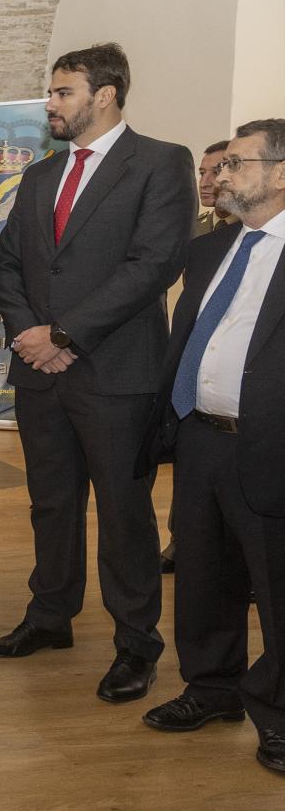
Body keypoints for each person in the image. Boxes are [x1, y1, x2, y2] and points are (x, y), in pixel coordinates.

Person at [0, 43, 196, 704]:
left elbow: (154, 263)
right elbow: (10, 263)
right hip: (43, 373)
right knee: (51, 504)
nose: (50, 103)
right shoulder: (44, 175)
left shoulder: (160, 163)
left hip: (114, 371)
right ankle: (50, 617)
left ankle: (137, 645)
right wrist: (30, 337)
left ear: (104, 94)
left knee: (122, 512)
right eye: (52, 93)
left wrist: (65, 335)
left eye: (62, 92)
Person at [136, 118, 285, 775]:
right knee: (202, 576)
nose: (222, 176)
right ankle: (211, 688)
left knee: (275, 589)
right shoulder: (210, 250)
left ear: (281, 173)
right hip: (200, 437)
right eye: (221, 166)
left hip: (270, 446)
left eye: (239, 164)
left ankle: (278, 717)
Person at [163, 139, 234, 573]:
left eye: (218, 171)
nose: (207, 182)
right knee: (191, 464)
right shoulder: (200, 229)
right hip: (195, 364)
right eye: (203, 173)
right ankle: (182, 542)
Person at [195, 141, 237, 237]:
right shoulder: (192, 228)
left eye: (216, 172)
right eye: (202, 173)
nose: (203, 184)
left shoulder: (253, 227)